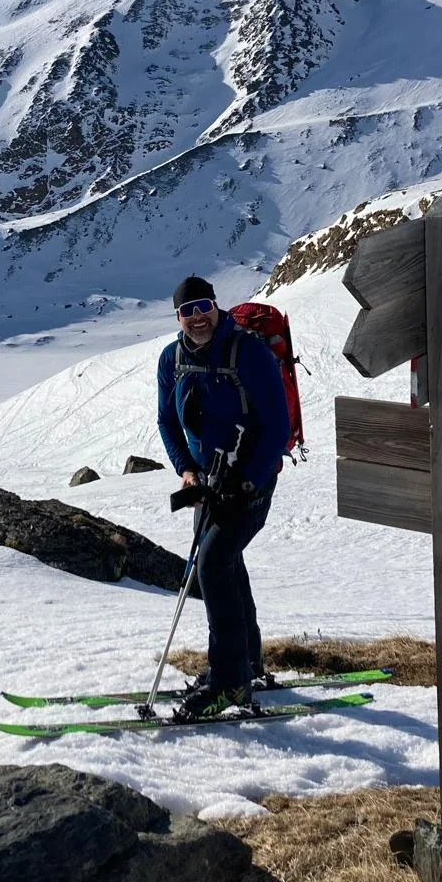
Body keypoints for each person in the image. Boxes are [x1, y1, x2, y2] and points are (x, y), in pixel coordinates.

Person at [157, 275, 289, 720]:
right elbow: (167, 423)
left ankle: (229, 683)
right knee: (224, 563)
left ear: (217, 306)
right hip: (209, 482)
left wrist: (247, 482)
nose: (197, 317)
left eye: (203, 307)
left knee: (212, 565)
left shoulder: (248, 354)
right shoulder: (171, 359)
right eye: (187, 310)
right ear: (178, 317)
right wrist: (187, 471)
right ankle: (246, 663)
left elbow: (278, 428)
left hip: (252, 482)